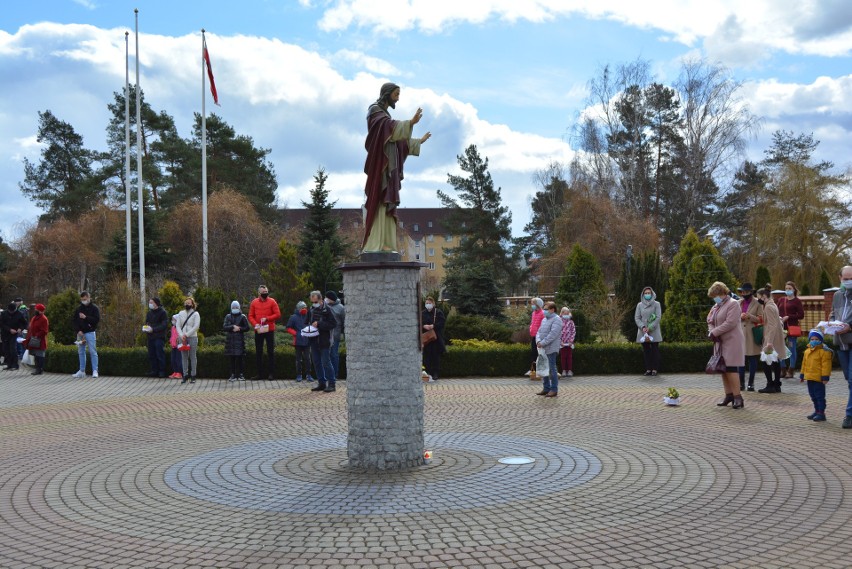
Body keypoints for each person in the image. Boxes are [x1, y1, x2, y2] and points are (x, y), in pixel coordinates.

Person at [362, 82, 431, 253]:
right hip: (380, 167)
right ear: (387, 94)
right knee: (380, 203)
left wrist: (416, 142)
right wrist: (409, 123)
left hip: (389, 169)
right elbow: (387, 129)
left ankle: (386, 243)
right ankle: (375, 244)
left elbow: (396, 140)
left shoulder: (384, 114)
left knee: (387, 204)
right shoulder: (375, 111)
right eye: (396, 94)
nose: (398, 99)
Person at [706, 281, 746, 408]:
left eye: (715, 295)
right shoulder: (716, 307)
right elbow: (710, 320)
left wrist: (715, 332)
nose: (714, 298)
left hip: (732, 341)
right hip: (720, 341)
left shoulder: (733, 304)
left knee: (731, 368)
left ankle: (738, 397)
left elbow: (731, 323)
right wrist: (712, 331)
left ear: (722, 293)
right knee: (723, 369)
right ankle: (728, 395)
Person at [829, 265, 852, 429]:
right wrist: (830, 322)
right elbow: (833, 314)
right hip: (840, 343)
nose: (849, 282)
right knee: (849, 381)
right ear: (840, 279)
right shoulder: (837, 295)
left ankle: (849, 415)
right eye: (846, 279)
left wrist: (850, 326)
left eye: (851, 279)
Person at [756, 285, 786, 394]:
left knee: (766, 361)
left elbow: (772, 325)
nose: (758, 299)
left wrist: (769, 342)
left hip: (771, 338)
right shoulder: (772, 304)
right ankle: (777, 384)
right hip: (775, 337)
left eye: (759, 297)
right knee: (775, 361)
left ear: (764, 296)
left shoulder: (768, 307)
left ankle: (770, 385)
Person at [799, 329, 833, 422]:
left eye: (816, 339)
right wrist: (802, 375)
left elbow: (826, 366)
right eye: (812, 339)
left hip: (819, 379)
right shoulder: (807, 351)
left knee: (819, 396)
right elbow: (804, 364)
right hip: (809, 377)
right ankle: (816, 411)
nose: (814, 341)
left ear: (821, 340)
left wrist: (825, 377)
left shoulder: (824, 351)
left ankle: (821, 413)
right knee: (813, 396)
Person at [248, 285, 281, 380]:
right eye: (263, 292)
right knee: (259, 352)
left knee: (270, 352)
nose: (265, 294)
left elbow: (278, 314)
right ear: (259, 293)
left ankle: (271, 374)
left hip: (269, 330)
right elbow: (250, 316)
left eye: (266, 292)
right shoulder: (254, 302)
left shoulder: (272, 301)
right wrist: (255, 324)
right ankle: (259, 374)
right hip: (258, 330)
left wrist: (267, 318)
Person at [307, 290, 337, 393]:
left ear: (320, 299)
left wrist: (319, 324)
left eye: (315, 302)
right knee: (316, 362)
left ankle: (332, 384)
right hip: (313, 340)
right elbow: (306, 322)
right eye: (312, 302)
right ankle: (322, 383)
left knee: (326, 362)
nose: (313, 304)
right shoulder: (310, 309)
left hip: (324, 340)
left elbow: (333, 324)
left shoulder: (327, 309)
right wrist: (306, 329)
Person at [738, 283, 764, 391]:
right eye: (742, 292)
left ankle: (751, 383)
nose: (744, 294)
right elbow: (733, 317)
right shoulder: (739, 302)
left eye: (746, 292)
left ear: (751, 292)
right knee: (741, 360)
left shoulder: (758, 303)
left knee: (752, 359)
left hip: (751, 334)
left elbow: (761, 319)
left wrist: (749, 316)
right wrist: (740, 316)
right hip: (740, 333)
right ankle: (741, 383)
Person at [535, 301, 563, 398]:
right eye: (544, 309)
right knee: (544, 368)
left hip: (551, 348)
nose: (544, 311)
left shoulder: (557, 320)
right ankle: (546, 388)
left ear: (552, 309)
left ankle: (554, 389)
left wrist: (542, 343)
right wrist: (538, 341)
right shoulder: (544, 320)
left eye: (546, 309)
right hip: (542, 348)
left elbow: (553, 335)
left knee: (552, 369)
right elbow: (538, 332)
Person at [778, 281, 804, 378]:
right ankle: (782, 369)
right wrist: (779, 317)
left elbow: (801, 315)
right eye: (786, 289)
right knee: (781, 348)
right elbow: (776, 310)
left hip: (792, 328)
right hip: (781, 328)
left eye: (790, 288)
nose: (788, 290)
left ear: (794, 290)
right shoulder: (781, 300)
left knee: (791, 348)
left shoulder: (797, 301)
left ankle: (791, 370)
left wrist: (789, 316)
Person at [71, 290, 100, 379]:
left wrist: (86, 317)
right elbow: (74, 320)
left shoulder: (94, 308)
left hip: (90, 332)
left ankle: (95, 370)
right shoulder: (79, 308)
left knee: (92, 351)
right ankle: (82, 370)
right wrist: (78, 330)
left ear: (89, 298)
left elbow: (96, 320)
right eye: (82, 299)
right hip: (80, 333)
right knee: (81, 351)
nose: (84, 301)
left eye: (85, 299)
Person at [634, 287, 662, 376]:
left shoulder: (657, 304)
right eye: (645, 293)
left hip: (654, 330)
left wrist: (650, 327)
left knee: (655, 350)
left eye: (649, 293)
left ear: (652, 293)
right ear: (643, 294)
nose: (647, 294)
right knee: (646, 351)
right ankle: (648, 369)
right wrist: (643, 327)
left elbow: (658, 317)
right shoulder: (639, 305)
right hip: (643, 332)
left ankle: (655, 369)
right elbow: (637, 318)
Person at [285, 301, 314, 382]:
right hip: (297, 341)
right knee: (298, 359)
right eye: (302, 308)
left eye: (305, 307)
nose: (304, 309)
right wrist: (296, 334)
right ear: (298, 309)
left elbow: (312, 325)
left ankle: (308, 375)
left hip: (307, 340)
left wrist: (310, 332)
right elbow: (288, 328)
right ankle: (299, 375)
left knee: (308, 358)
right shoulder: (293, 317)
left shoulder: (309, 316)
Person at [176, 297, 200, 384]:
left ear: (192, 304)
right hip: (182, 337)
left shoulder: (196, 314)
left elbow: (196, 326)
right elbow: (178, 325)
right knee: (184, 357)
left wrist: (187, 334)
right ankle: (185, 375)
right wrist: (181, 335)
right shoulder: (180, 313)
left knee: (193, 356)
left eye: (189, 303)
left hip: (192, 337)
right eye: (186, 303)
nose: (187, 305)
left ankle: (193, 375)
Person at [223, 300, 250, 382]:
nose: (235, 308)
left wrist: (239, 329)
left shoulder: (243, 316)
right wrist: (232, 327)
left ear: (239, 308)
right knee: (232, 359)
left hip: (239, 340)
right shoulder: (228, 316)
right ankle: (232, 374)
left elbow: (247, 327)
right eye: (233, 307)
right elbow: (224, 327)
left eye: (236, 307)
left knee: (240, 359)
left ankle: (241, 374)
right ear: (231, 308)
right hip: (230, 341)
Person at [422, 296, 446, 382]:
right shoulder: (423, 313)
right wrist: (424, 326)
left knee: (436, 356)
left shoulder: (438, 312)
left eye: (429, 303)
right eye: (427, 303)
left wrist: (433, 326)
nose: (428, 305)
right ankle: (427, 372)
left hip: (435, 337)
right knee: (427, 356)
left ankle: (436, 372)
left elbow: (442, 323)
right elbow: (419, 323)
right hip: (426, 338)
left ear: (433, 304)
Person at [144, 297, 169, 378]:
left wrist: (153, 329)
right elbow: (147, 322)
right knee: (152, 354)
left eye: (151, 302)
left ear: (156, 303)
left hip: (159, 337)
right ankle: (154, 370)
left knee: (159, 354)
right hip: (150, 337)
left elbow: (164, 325)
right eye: (149, 302)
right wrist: (146, 327)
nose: (150, 304)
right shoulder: (149, 313)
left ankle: (162, 371)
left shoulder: (163, 312)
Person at [325, 291, 346, 381]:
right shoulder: (326, 306)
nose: (325, 299)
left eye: (327, 298)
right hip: (325, 335)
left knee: (334, 355)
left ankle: (335, 375)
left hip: (335, 335)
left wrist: (342, 333)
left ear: (331, 299)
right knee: (326, 355)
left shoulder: (341, 308)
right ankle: (327, 375)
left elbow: (344, 321)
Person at [1, 301, 27, 371]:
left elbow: (24, 323)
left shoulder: (19, 314)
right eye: (10, 311)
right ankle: (9, 364)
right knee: (6, 350)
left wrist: (20, 328)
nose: (12, 312)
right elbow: (2, 324)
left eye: (13, 311)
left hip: (14, 334)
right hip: (5, 334)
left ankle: (15, 365)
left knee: (13, 349)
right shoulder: (3, 314)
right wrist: (9, 329)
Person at [24, 304, 48, 375]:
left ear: (40, 311)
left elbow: (44, 331)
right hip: (33, 339)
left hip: (40, 340)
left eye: (36, 309)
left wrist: (37, 335)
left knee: (40, 355)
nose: (35, 310)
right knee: (36, 355)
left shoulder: (44, 319)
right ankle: (37, 368)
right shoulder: (34, 317)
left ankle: (39, 369)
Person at [525, 298, 545, 376]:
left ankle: (539, 370)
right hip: (533, 336)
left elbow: (544, 325)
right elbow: (532, 323)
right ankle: (533, 370)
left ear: (538, 304)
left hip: (539, 337)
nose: (532, 305)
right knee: (533, 353)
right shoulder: (533, 313)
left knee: (539, 354)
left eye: (533, 303)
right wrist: (531, 329)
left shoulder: (542, 313)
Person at [558, 307, 575, 378]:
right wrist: (560, 341)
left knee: (569, 357)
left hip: (569, 344)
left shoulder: (571, 322)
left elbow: (573, 332)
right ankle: (564, 370)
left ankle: (570, 370)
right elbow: (558, 332)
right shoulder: (559, 322)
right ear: (562, 313)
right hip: (562, 344)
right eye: (565, 313)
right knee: (563, 357)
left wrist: (571, 341)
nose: (567, 314)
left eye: (568, 313)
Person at [168, 314, 183, 379]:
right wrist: (171, 341)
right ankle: (175, 371)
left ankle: (179, 372)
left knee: (178, 360)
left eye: (174, 320)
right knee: (173, 359)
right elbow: (172, 336)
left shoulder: (180, 328)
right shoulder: (173, 327)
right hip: (173, 346)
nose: (172, 321)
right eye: (172, 319)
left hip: (179, 346)